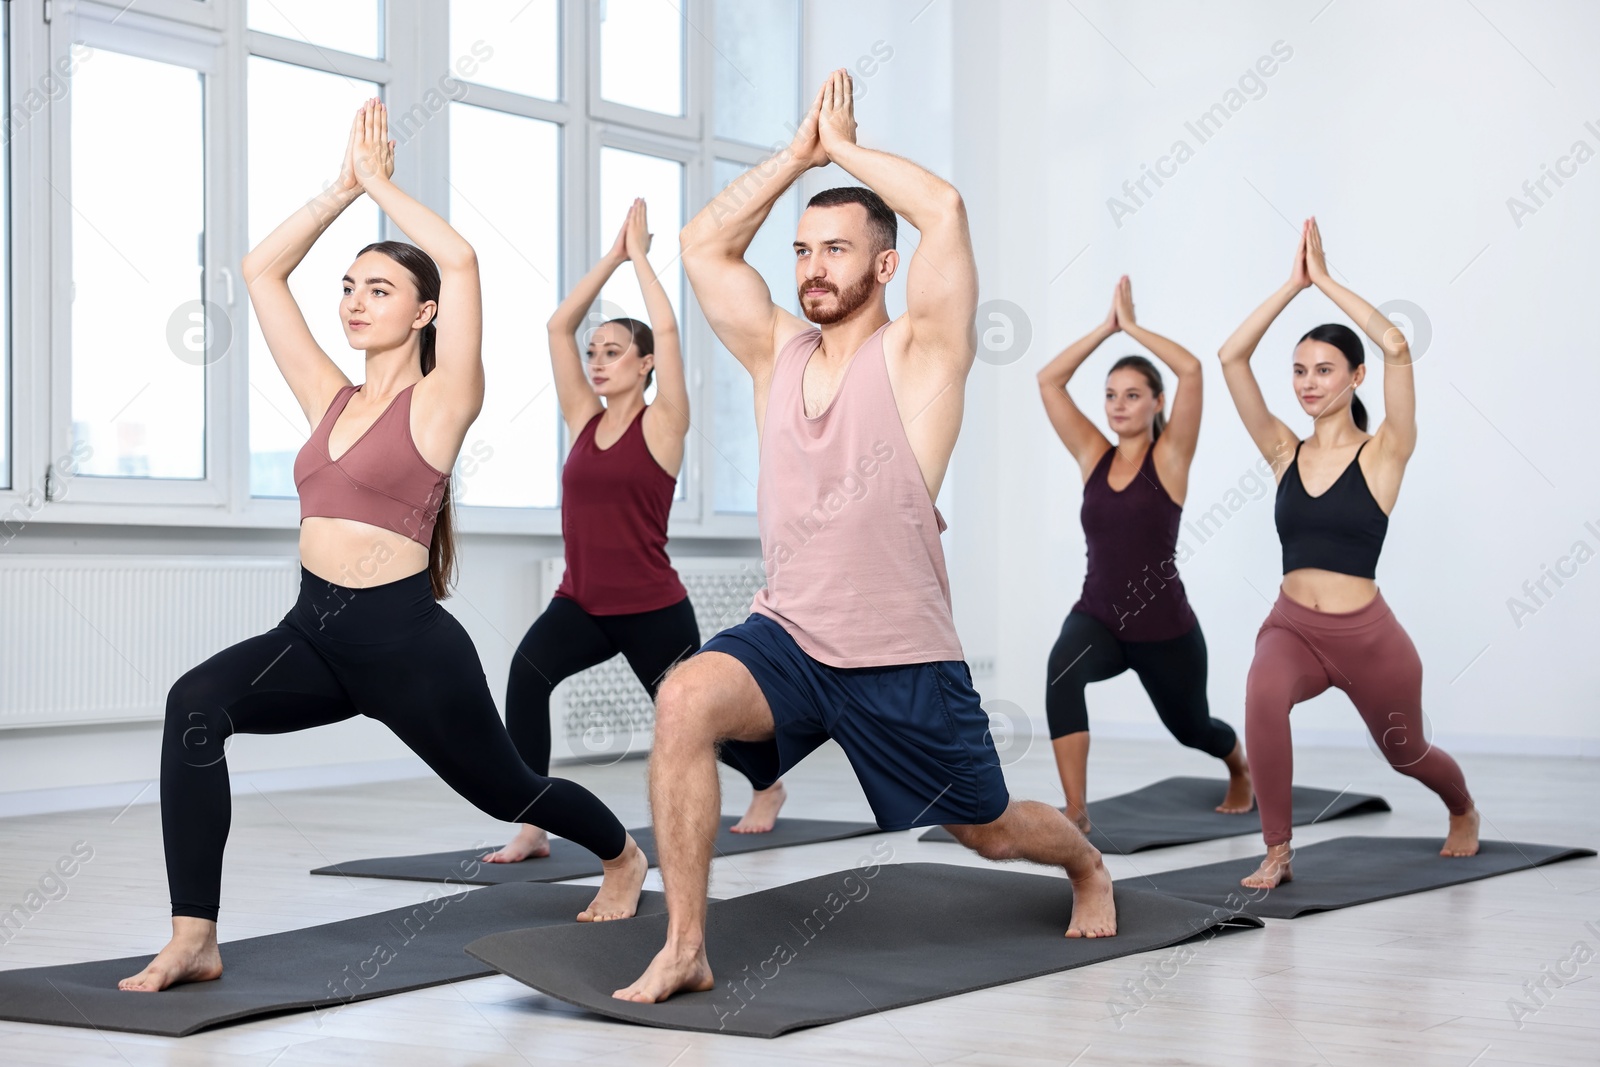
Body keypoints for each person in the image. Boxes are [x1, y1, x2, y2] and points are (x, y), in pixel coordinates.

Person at [614, 70, 1116, 1005]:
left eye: (837, 250)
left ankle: (1085, 860)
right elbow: (701, 244)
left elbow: (948, 210)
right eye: (805, 250)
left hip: (900, 656)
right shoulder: (776, 351)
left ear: (884, 266)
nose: (812, 267)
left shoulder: (922, 352)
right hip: (790, 637)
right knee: (685, 698)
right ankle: (687, 943)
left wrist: (845, 151)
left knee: (991, 830)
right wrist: (798, 156)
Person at [119, 101, 646, 992]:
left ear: (423, 310)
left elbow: (465, 259)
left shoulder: (442, 401)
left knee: (508, 788)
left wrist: (382, 186)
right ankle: (195, 933)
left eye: (381, 289)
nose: (356, 303)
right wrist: (339, 188)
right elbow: (260, 270)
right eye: (350, 287)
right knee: (195, 705)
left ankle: (623, 854)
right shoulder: (329, 395)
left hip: (408, 645)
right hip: (312, 637)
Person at [483, 200, 787, 867]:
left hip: (652, 608)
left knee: (697, 722)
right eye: (596, 353)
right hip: (582, 602)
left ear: (645, 364)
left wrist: (645, 258)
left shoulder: (663, 424)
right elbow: (558, 325)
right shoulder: (582, 419)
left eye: (614, 352)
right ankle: (533, 823)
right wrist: (613, 257)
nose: (597, 360)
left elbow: (672, 331)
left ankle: (768, 781)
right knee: (527, 676)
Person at [1217, 216, 1479, 889]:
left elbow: (1396, 344)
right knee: (1261, 697)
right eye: (1299, 370)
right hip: (1292, 626)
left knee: (1407, 752)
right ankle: (1277, 849)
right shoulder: (1284, 450)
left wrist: (1325, 280)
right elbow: (1230, 358)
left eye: (1324, 370)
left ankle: (1462, 806)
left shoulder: (1386, 452)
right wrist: (1290, 285)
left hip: (1368, 638)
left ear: (1356, 376)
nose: (1307, 382)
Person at [1037, 276, 1250, 832]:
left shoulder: (1171, 457)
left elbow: (1193, 370)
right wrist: (1103, 331)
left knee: (1193, 729)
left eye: (1132, 395)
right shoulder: (1093, 455)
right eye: (1110, 394)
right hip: (1099, 617)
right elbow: (1049, 381)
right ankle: (1077, 813)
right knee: (1062, 671)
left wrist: (1132, 327)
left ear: (1158, 403)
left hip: (1165, 629)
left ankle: (1239, 766)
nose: (1118, 405)